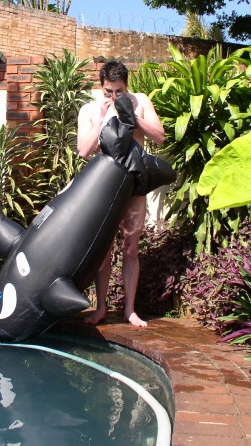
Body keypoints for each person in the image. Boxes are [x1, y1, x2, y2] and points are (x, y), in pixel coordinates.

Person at [77, 60, 165, 328]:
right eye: (108, 92)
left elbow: (160, 136)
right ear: (101, 87)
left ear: (127, 86)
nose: (114, 97)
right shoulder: (90, 109)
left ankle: (129, 310)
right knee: (102, 251)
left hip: (133, 185)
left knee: (130, 249)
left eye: (119, 91)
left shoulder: (140, 101)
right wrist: (103, 119)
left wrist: (133, 116)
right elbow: (83, 150)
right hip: (103, 186)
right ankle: (101, 307)